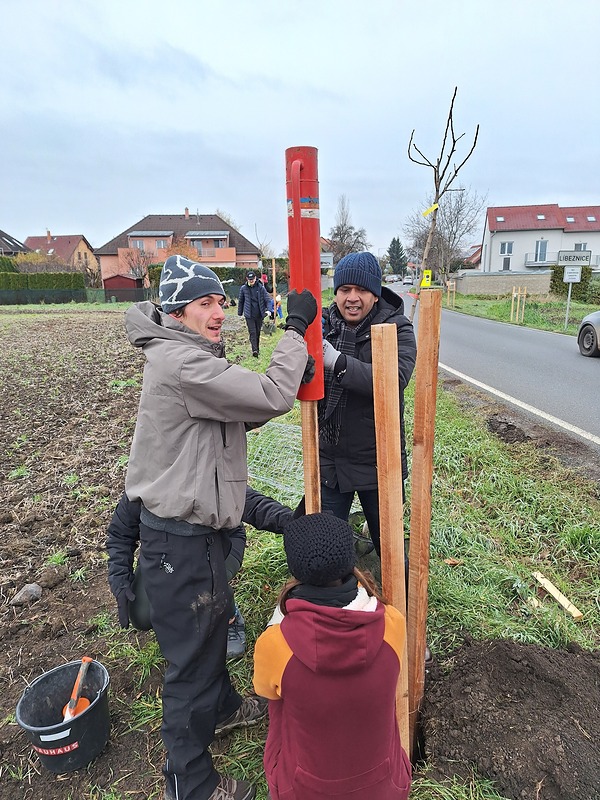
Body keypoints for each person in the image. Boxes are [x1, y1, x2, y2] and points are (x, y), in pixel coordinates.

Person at [123, 254, 317, 800]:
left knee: (211, 630)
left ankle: (225, 708)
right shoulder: (183, 363)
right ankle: (189, 783)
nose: (218, 313)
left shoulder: (184, 357)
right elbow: (268, 394)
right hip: (178, 544)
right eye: (204, 304)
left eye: (219, 302)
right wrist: (294, 329)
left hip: (194, 537)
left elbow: (236, 412)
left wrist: (286, 379)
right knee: (189, 663)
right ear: (177, 313)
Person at [253, 512, 412, 800]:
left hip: (305, 791)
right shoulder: (393, 623)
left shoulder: (274, 645)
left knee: (279, 701)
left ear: (295, 570)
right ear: (350, 562)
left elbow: (263, 690)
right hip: (385, 785)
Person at [107, 486, 295, 658]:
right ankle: (182, 605)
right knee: (142, 616)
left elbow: (256, 505)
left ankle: (229, 614)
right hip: (163, 553)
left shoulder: (202, 474)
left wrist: (295, 522)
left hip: (218, 547)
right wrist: (120, 579)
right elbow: (120, 534)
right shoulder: (147, 482)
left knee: (202, 584)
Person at [319, 251, 417, 557]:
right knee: (326, 550)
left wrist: (338, 362)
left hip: (379, 462)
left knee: (390, 551)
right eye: (345, 289)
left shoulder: (398, 329)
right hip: (332, 460)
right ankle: (340, 586)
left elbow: (394, 379)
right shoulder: (324, 326)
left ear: (375, 295)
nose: (352, 298)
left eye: (361, 290)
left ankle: (396, 588)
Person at [237, 270, 270, 357]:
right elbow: (241, 301)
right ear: (247, 279)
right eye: (249, 279)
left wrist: (269, 310)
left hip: (259, 314)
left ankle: (257, 349)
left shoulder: (261, 288)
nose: (251, 281)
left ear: (255, 278)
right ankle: (254, 350)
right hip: (249, 314)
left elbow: (267, 299)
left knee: (257, 332)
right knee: (252, 332)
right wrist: (240, 313)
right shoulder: (243, 288)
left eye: (252, 279)